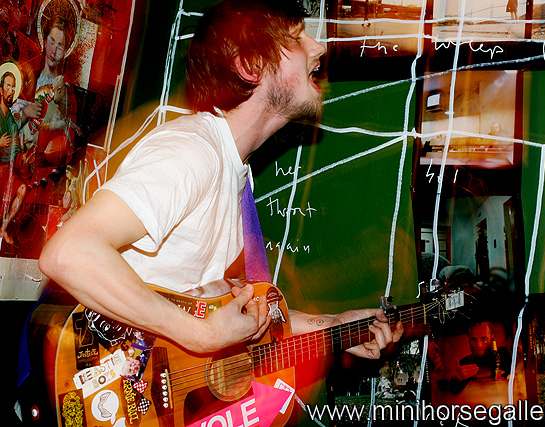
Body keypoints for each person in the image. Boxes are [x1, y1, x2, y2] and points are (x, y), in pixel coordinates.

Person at [39, 0, 402, 362]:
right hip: (90, 369)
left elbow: (218, 314)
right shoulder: (193, 152)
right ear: (250, 65)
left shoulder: (234, 173)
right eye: (296, 38)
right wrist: (201, 336)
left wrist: (330, 325)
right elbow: (68, 253)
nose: (318, 47)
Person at [0, 69, 30, 244]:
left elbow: (16, 151)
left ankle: (3, 228)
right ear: (1, 90)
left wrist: (24, 157)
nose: (11, 91)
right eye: (8, 86)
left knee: (22, 189)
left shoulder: (11, 121)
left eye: (13, 87)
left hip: (7, 171)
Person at [448, 321, 510, 393]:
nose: (478, 345)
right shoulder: (465, 363)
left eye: (483, 338)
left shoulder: (503, 354)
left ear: (492, 336)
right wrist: (457, 378)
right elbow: (454, 391)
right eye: (474, 339)